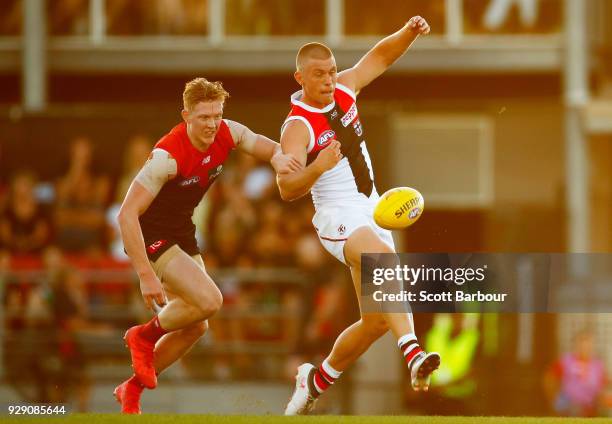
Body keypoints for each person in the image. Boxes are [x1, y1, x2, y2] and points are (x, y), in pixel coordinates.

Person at [276, 16, 440, 415]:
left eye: (332, 71)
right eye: (319, 74)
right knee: (382, 263)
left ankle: (316, 380)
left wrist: (409, 31)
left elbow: (380, 56)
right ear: (300, 78)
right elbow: (287, 188)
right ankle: (414, 353)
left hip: (371, 209)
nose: (329, 79)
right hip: (336, 216)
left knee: (377, 322)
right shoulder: (297, 127)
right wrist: (317, 166)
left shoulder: (346, 90)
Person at [113, 77, 301, 414]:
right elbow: (127, 215)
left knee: (198, 324)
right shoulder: (166, 157)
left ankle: (132, 388)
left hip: (183, 233)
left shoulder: (228, 132)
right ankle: (143, 335)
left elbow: (265, 145)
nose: (212, 124)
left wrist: (276, 159)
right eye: (204, 117)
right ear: (185, 116)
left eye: (216, 115)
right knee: (211, 300)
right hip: (150, 234)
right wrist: (146, 274)